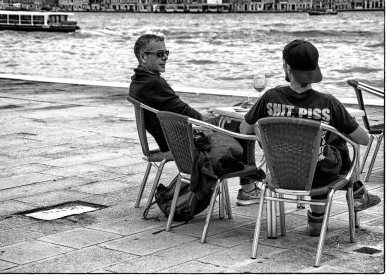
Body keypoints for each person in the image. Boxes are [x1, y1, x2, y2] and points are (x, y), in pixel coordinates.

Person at [239, 39, 381, 236]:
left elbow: (244, 128)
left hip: (282, 172)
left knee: (323, 142)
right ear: (314, 70)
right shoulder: (328, 102)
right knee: (334, 140)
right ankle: (343, 200)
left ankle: (326, 212)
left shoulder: (270, 97)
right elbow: (363, 140)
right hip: (322, 174)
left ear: (287, 68)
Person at [129, 34, 262, 205]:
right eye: (160, 54)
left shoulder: (139, 81)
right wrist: (208, 118)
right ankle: (248, 189)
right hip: (182, 143)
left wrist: (209, 115)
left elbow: (177, 108)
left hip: (174, 138)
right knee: (241, 123)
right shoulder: (153, 83)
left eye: (167, 52)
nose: (166, 57)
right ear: (143, 56)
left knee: (231, 115)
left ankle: (248, 187)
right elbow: (184, 111)